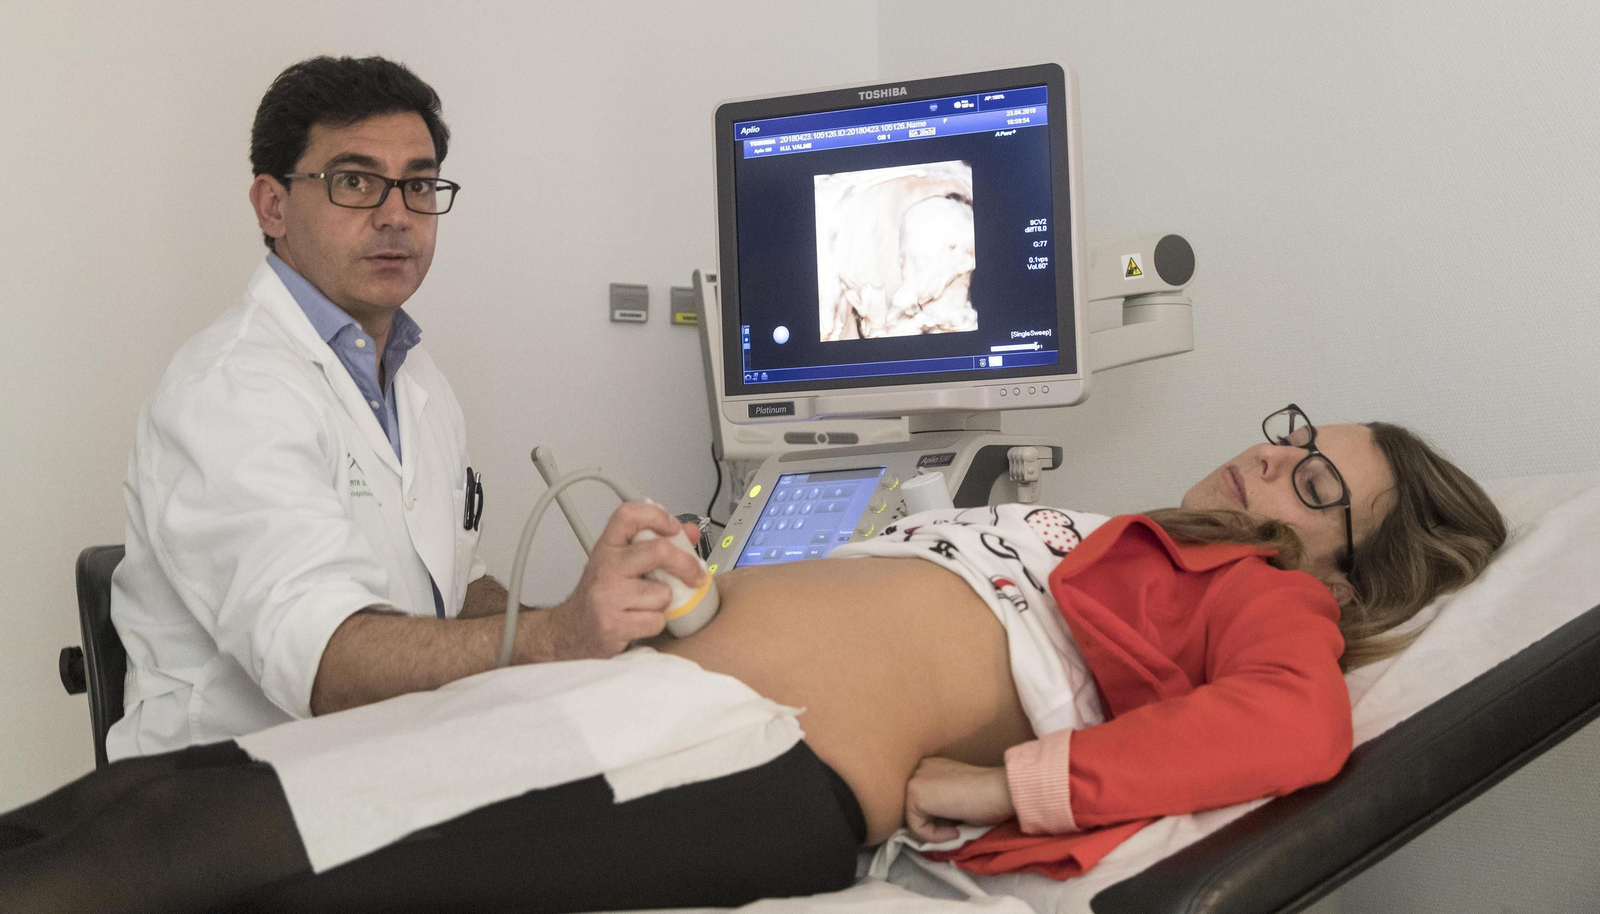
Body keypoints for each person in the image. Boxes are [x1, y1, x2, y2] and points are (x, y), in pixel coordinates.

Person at [1, 410, 1506, 912]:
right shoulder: (1121, 530)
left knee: (193, 854)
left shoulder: (1268, 593)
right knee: (152, 805)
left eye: (1319, 484)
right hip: (634, 698)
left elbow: (1293, 723)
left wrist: (1015, 782)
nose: (1274, 462)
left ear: (1344, 565)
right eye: (1296, 435)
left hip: (741, 752)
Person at [108, 56, 706, 758]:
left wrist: (601, 628)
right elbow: (326, 662)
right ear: (273, 205)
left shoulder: (412, 374)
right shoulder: (227, 393)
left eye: (418, 185)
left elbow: (453, 590)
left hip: (392, 762)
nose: (396, 216)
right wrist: (556, 637)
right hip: (233, 792)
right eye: (354, 182)